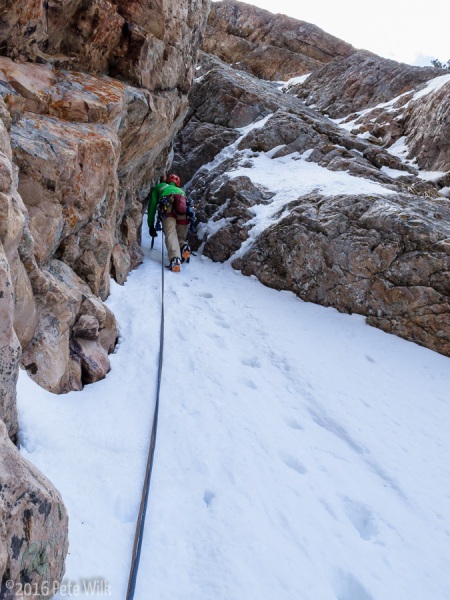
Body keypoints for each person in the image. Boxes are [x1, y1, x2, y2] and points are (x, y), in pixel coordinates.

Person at [147, 174, 191, 272]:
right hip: (183, 209)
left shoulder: (160, 186)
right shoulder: (181, 191)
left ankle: (175, 259)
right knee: (180, 236)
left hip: (168, 207)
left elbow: (152, 206)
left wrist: (151, 225)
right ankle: (184, 246)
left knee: (171, 233)